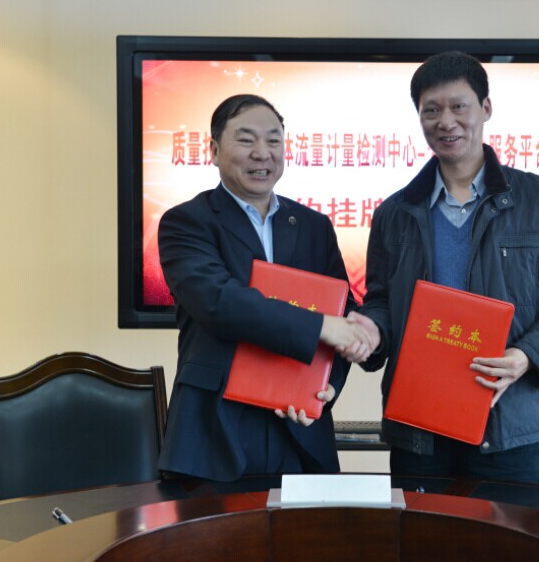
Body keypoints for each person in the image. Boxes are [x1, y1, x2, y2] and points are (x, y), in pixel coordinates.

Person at [356, 51, 539, 484]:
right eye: (431, 110)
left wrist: (527, 356)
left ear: (486, 108)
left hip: (511, 425)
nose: (446, 122)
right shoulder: (394, 213)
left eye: (459, 106)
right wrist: (370, 330)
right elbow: (381, 300)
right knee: (420, 530)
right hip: (420, 430)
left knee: (510, 530)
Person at [157, 94, 376, 481]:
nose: (262, 153)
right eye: (246, 140)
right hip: (215, 434)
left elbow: (341, 313)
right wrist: (320, 326)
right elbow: (219, 303)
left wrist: (328, 386)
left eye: (273, 140)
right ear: (213, 151)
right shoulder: (187, 222)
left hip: (300, 431)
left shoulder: (314, 227)